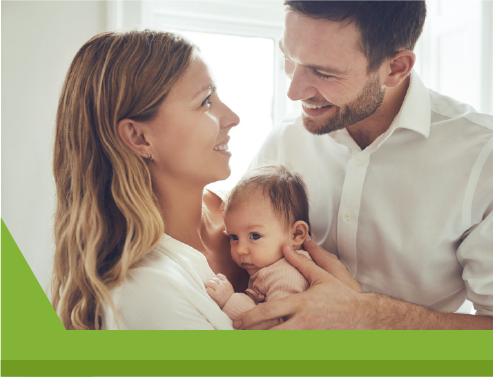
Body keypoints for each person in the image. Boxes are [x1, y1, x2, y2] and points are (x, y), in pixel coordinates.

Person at [234, 0, 493, 329]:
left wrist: (370, 316)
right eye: (289, 56)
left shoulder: (484, 156)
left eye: (324, 72)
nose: (294, 91)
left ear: (395, 67)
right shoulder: (285, 140)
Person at [51, 30, 249, 329]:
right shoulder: (145, 290)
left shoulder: (249, 209)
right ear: (138, 137)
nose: (233, 117)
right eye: (205, 101)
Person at [206, 165, 314, 329]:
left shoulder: (287, 275)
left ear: (297, 234)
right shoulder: (271, 267)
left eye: (255, 236)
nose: (241, 249)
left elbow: (279, 326)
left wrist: (229, 300)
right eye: (234, 237)